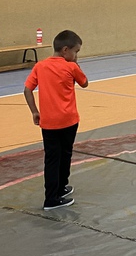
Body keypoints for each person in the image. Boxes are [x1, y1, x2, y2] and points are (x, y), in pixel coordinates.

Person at [23, 30, 88, 210]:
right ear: (66, 50)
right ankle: (52, 198)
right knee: (65, 154)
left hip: (49, 123)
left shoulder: (40, 66)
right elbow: (84, 83)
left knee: (52, 158)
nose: (76, 56)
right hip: (68, 121)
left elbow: (27, 90)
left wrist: (35, 112)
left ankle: (57, 190)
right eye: (76, 52)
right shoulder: (71, 67)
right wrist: (76, 64)